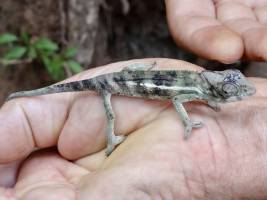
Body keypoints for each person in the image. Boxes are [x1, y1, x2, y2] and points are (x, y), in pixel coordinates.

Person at [0, 1, 267, 199]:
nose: (242, 93)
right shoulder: (197, 90)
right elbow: (177, 101)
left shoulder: (202, 86)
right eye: (235, 91)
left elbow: (198, 96)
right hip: (114, 85)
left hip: (133, 78)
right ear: (218, 89)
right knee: (111, 114)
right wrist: (187, 123)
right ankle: (111, 139)